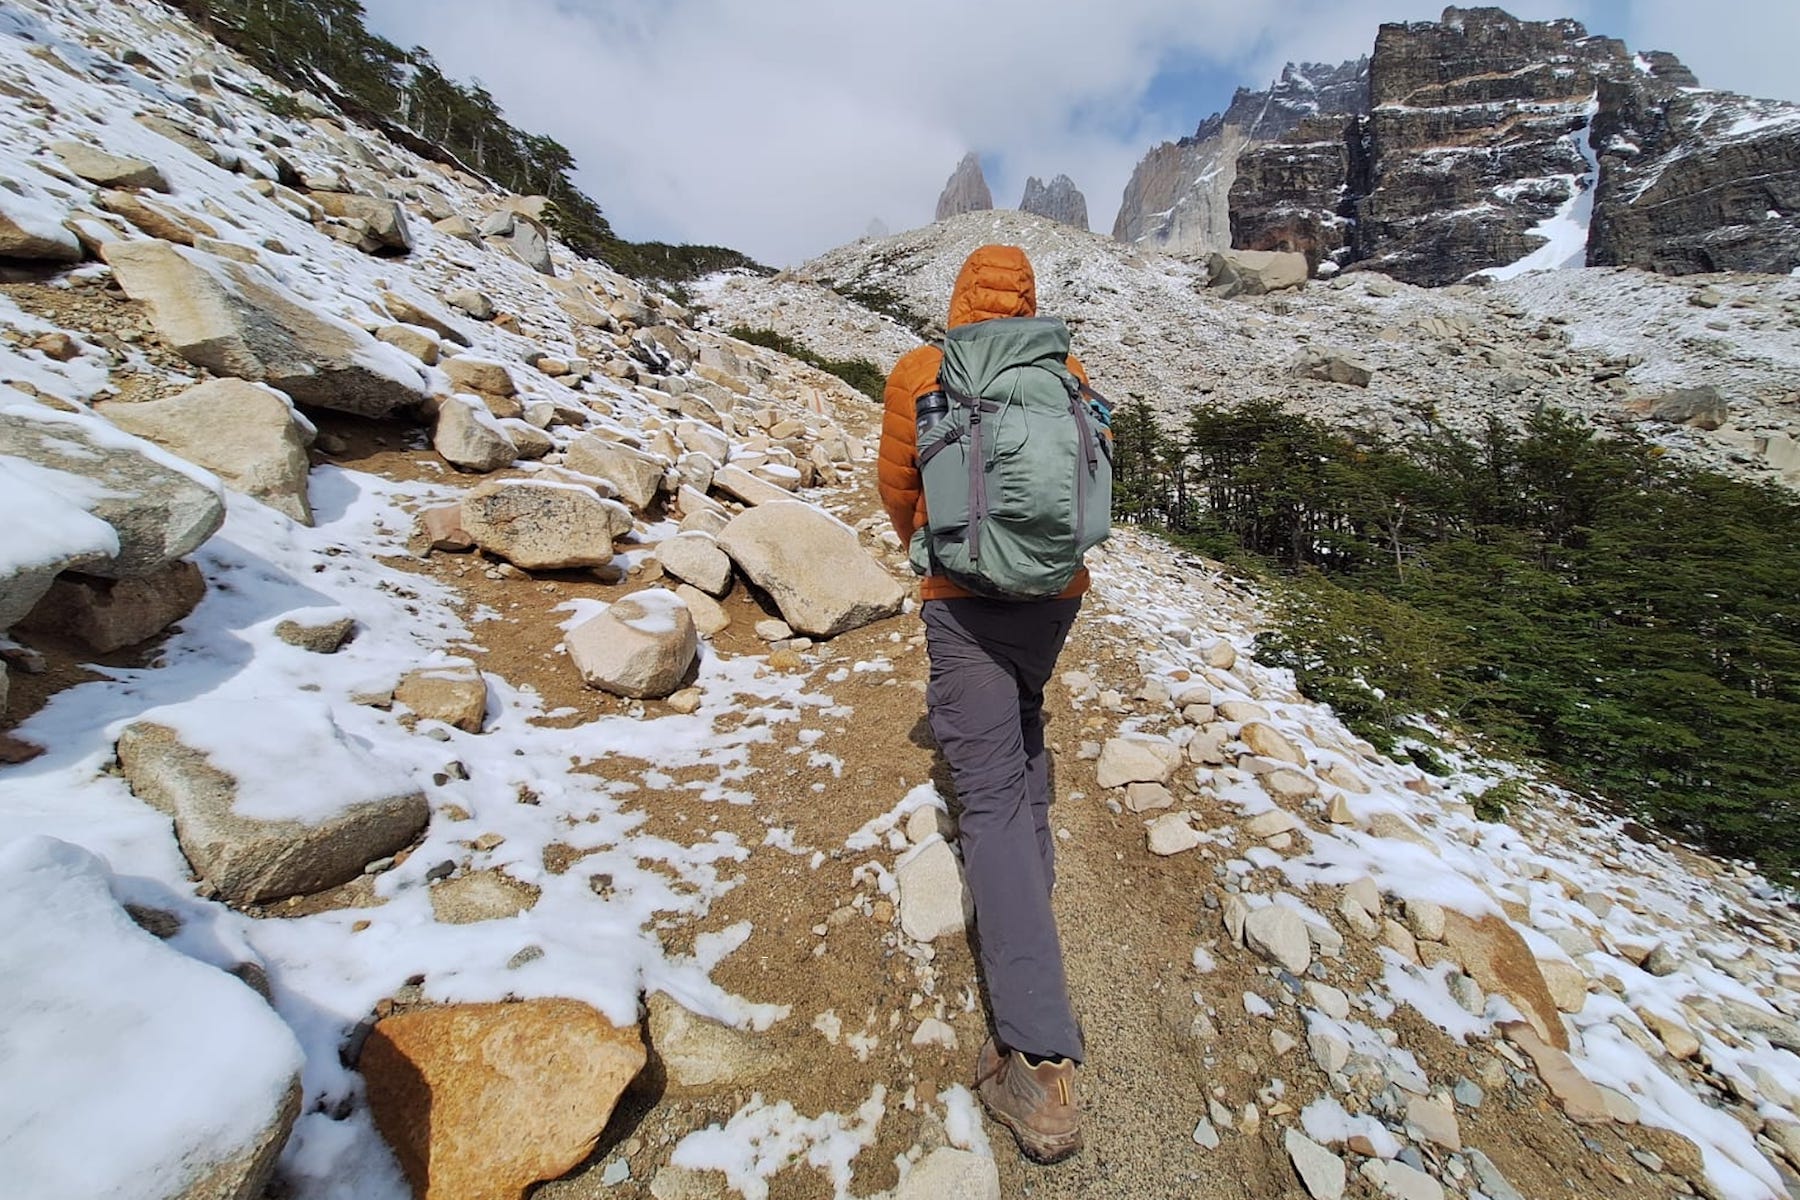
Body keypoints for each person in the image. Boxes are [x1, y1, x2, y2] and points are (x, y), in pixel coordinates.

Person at [877, 243, 1095, 1163]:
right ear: (1030, 299)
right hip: (1055, 597)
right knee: (1027, 721)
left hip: (962, 602)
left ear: (960, 298)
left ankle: (1037, 1061)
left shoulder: (924, 371)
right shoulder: (1068, 372)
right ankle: (1029, 906)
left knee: (991, 803)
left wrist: (931, 551)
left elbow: (897, 486)